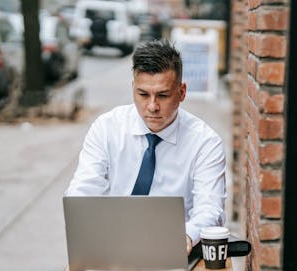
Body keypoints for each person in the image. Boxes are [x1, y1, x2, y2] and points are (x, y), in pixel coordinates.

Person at [65, 40, 226, 256]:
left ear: (182, 92)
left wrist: (187, 236)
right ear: (133, 89)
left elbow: (210, 209)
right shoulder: (107, 128)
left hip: (176, 251)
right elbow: (82, 191)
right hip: (113, 247)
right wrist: (85, 229)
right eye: (143, 95)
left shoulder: (205, 142)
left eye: (163, 95)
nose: (152, 106)